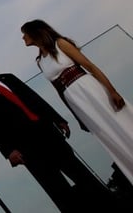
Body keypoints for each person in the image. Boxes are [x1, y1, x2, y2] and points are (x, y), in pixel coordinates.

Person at [0, 51, 116, 212]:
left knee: (81, 174)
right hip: (26, 148)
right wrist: (8, 151)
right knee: (57, 189)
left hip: (48, 134)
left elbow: (34, 98)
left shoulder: (9, 77)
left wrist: (57, 119)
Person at [21, 19, 133, 184]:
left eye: (25, 34)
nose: (23, 38)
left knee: (121, 122)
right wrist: (76, 115)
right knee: (107, 135)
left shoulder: (60, 44)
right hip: (75, 101)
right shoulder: (40, 62)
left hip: (89, 89)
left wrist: (112, 91)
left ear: (35, 32)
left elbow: (90, 66)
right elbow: (58, 90)